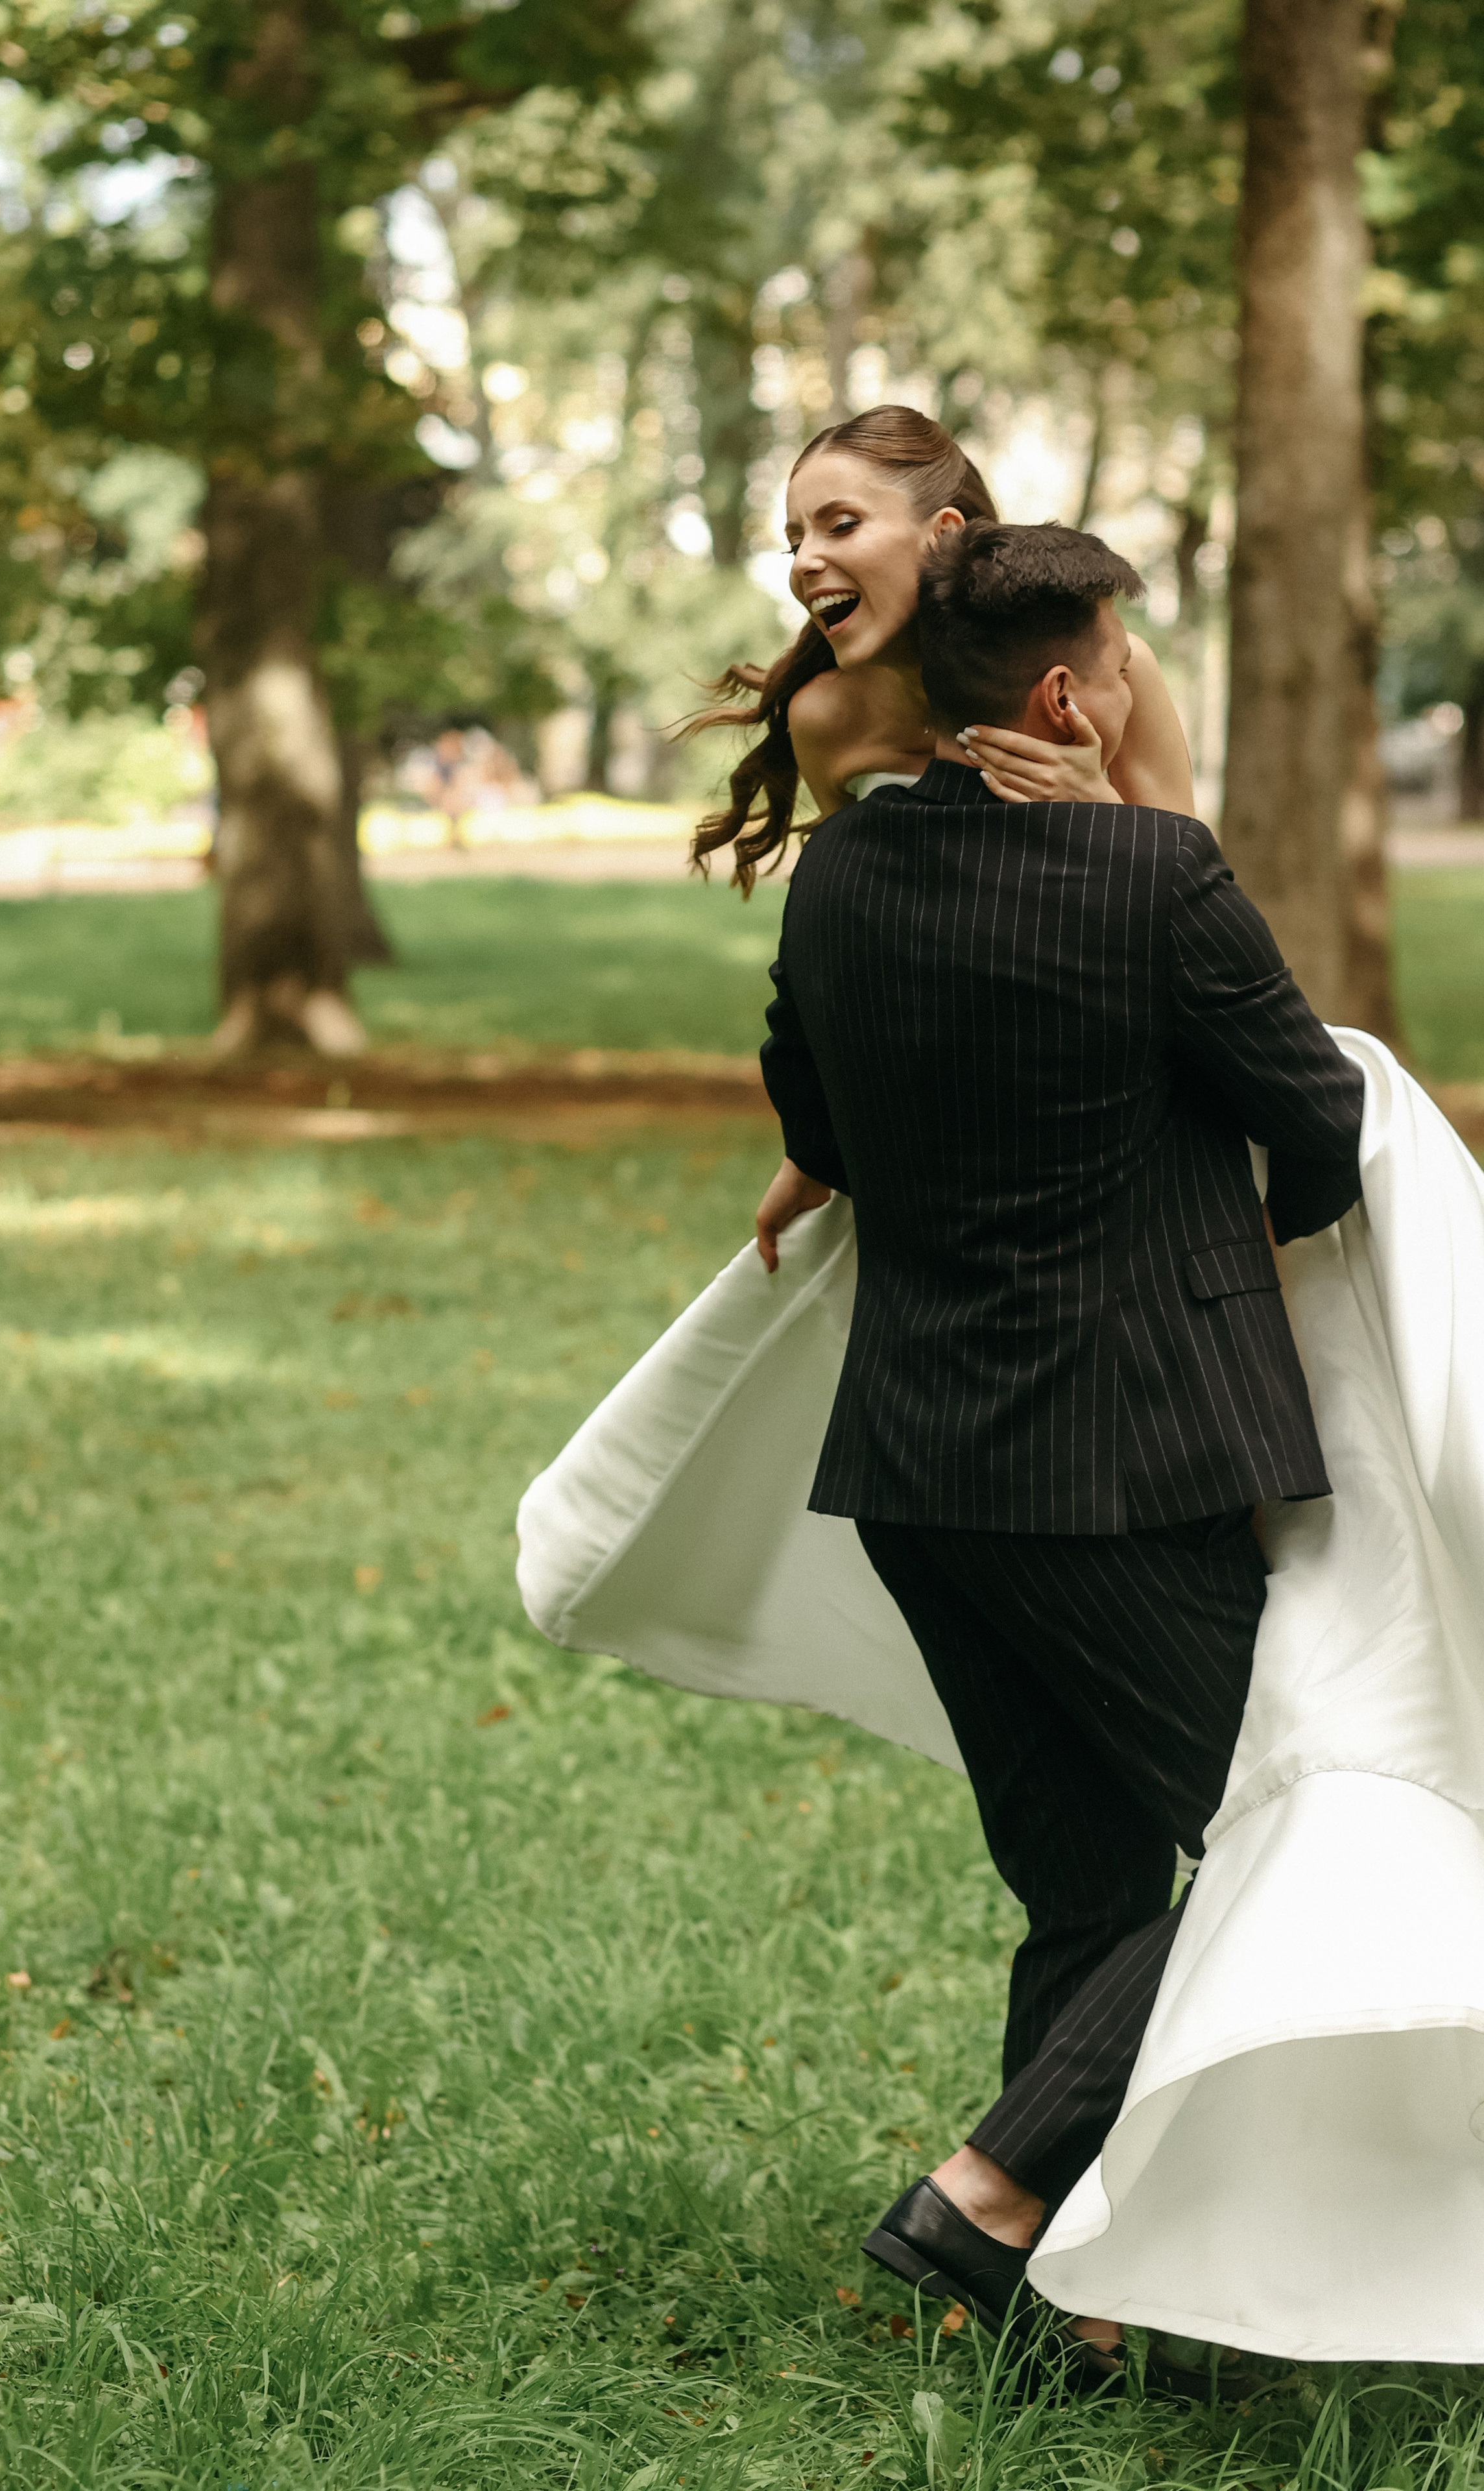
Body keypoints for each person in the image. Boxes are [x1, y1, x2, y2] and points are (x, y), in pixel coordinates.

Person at [754, 519, 1363, 2386]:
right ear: (1060, 695)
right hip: (1125, 1464)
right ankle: (987, 2197)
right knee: (1292, 1839)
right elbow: (1316, 1114)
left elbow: (815, 1110)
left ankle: (1079, 2304)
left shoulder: (841, 871)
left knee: (1097, 1896)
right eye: (1114, 661)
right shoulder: (1153, 873)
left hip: (922, 1472)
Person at [686, 405, 1195, 890]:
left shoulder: (1115, 672)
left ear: (945, 534)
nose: (804, 563)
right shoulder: (825, 717)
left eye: (841, 526)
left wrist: (1098, 806)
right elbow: (850, 900)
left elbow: (1192, 896)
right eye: (796, 544)